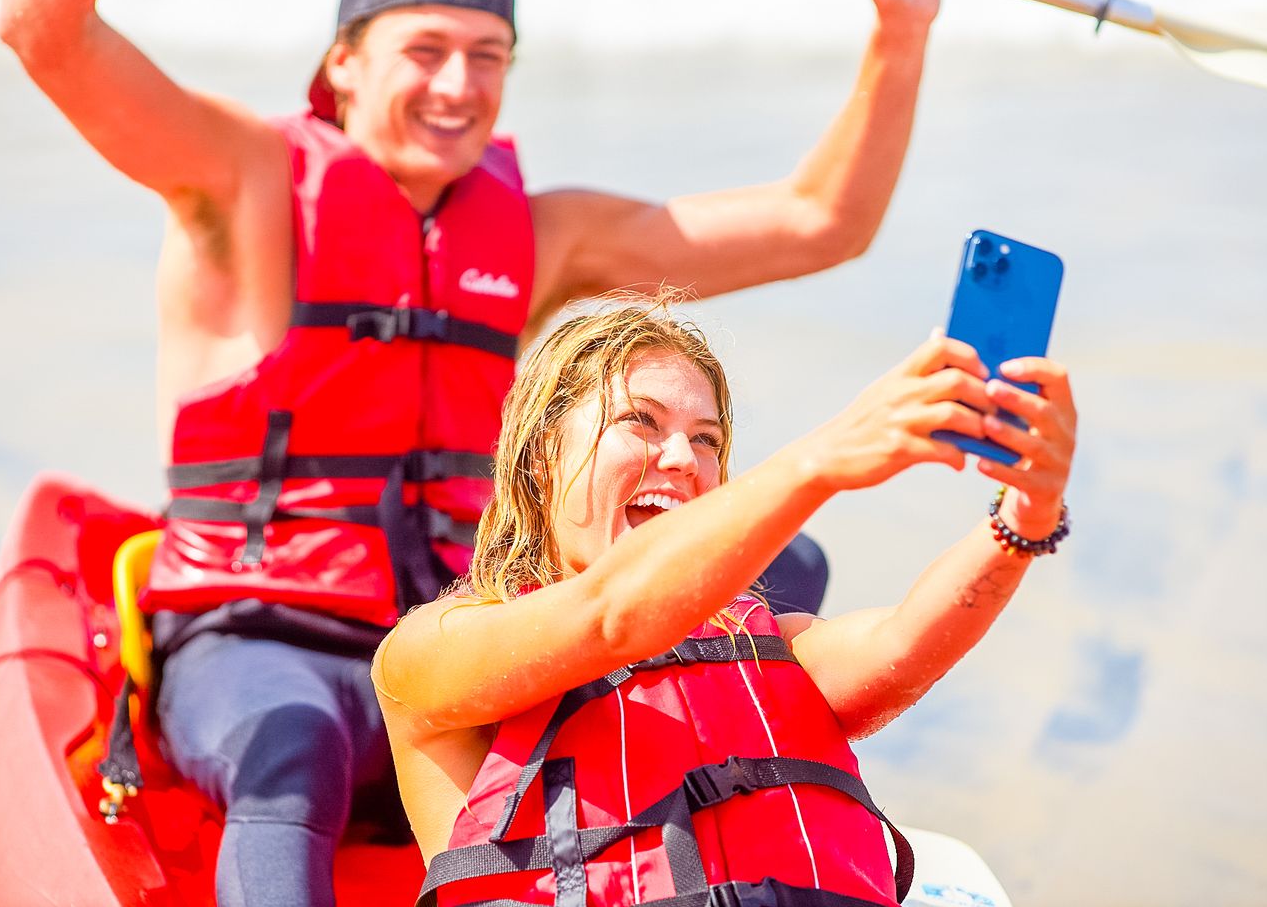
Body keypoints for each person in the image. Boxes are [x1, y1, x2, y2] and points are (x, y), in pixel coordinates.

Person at [0, 0, 947, 902]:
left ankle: (725, 842)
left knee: (785, 563)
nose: (459, 84)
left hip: (460, 629)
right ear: (344, 64)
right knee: (291, 752)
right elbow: (44, 31)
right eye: (426, 48)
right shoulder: (236, 177)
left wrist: (901, 32)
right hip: (269, 636)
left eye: (489, 55)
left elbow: (822, 221)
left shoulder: (538, 233)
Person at [374, 301, 1076, 906]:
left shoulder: (776, 645)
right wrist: (822, 459)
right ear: (541, 455)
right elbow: (609, 616)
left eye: (705, 439)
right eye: (641, 422)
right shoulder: (432, 652)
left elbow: (903, 647)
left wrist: (1026, 516)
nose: (681, 456)